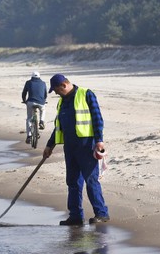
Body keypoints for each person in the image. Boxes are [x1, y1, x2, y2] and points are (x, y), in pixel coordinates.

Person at [42, 73, 110, 225]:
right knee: (72, 182)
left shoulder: (86, 94)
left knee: (91, 180)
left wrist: (99, 140)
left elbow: (97, 118)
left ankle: (101, 213)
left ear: (64, 85)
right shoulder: (62, 102)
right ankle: (76, 216)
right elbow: (58, 127)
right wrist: (49, 145)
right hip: (70, 147)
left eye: (57, 90)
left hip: (86, 145)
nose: (57, 93)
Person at [21, 71, 47, 143]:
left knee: (29, 118)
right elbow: (45, 94)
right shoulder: (43, 83)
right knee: (43, 109)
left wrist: (24, 100)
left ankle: (29, 136)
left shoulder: (28, 82)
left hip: (30, 102)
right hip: (41, 102)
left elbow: (24, 93)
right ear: (39, 77)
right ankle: (41, 121)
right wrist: (44, 100)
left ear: (32, 77)